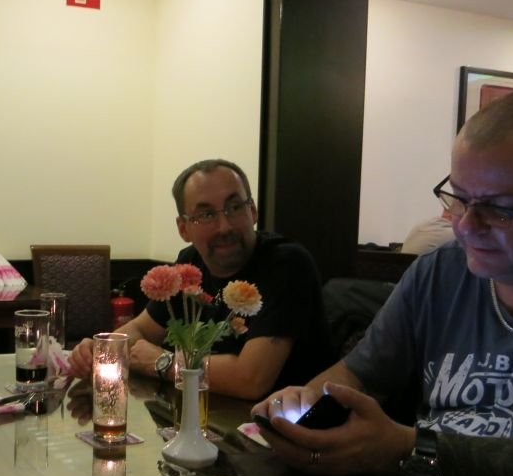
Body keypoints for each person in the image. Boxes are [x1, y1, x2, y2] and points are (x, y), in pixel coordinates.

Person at [253, 88, 513, 476]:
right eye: (459, 198)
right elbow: (354, 378)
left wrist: (412, 449)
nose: (466, 226)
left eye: (499, 208)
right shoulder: (439, 271)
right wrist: (300, 410)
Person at [69, 159, 333, 400]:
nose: (225, 226)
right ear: (183, 228)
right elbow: (141, 329)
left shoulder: (287, 264)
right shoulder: (190, 263)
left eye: (234, 207)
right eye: (206, 215)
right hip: (203, 416)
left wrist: (163, 362)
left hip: (277, 427)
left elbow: (250, 379)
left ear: (252, 211)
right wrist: (102, 349)